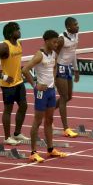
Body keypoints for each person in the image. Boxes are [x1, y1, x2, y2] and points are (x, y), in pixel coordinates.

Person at [22, 30, 69, 163]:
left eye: (57, 42)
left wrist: (53, 80)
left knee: (49, 120)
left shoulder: (53, 53)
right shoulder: (39, 55)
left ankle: (50, 149)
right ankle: (33, 152)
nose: (56, 44)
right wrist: (35, 85)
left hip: (50, 91)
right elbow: (25, 70)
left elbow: (53, 67)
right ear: (46, 41)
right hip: (41, 92)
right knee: (37, 121)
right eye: (54, 42)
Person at [0, 22, 29, 146]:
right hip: (8, 85)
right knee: (8, 110)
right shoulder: (4, 46)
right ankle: (7, 137)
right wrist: (3, 76)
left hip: (19, 82)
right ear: (11, 33)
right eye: (17, 30)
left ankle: (17, 133)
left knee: (24, 106)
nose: (20, 31)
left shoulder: (19, 44)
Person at [55, 17, 80, 138]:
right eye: (75, 24)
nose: (78, 26)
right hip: (59, 68)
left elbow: (73, 52)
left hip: (68, 68)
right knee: (64, 97)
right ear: (68, 27)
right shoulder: (61, 39)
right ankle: (66, 128)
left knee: (69, 96)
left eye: (77, 24)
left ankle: (47, 111)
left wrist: (76, 69)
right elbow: (54, 55)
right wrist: (52, 71)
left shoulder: (76, 35)